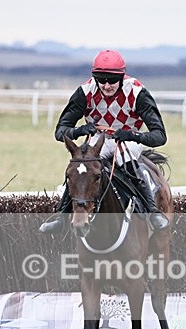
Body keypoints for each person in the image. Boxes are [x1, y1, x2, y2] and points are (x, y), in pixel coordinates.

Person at [39, 49, 170, 234]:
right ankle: (61, 217)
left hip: (128, 140)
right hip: (97, 139)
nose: (107, 86)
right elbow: (60, 131)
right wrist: (79, 130)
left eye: (112, 81)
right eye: (102, 80)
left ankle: (153, 211)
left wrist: (132, 136)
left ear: (122, 78)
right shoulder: (85, 92)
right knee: (81, 169)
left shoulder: (137, 92)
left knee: (127, 161)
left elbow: (160, 136)